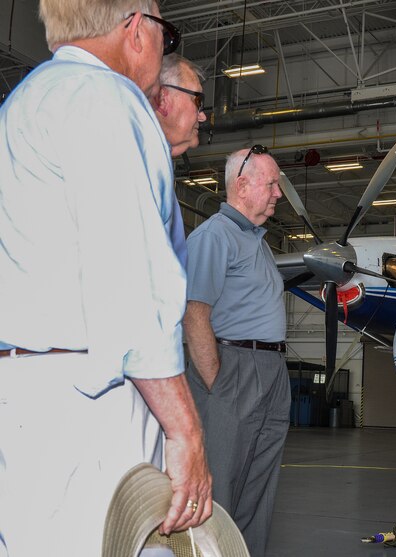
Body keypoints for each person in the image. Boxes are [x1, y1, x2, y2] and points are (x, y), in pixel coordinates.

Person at [0, 2, 212, 556]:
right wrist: (185, 430)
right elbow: (130, 281)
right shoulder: (106, 99)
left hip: (25, 389)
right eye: (165, 32)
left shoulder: (24, 102)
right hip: (90, 400)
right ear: (136, 28)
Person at [183, 146, 290, 557]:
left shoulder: (258, 242)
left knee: (258, 490)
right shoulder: (213, 235)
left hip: (270, 369)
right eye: (271, 183)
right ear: (242, 185)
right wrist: (217, 383)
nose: (278, 192)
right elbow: (195, 314)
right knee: (220, 487)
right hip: (234, 369)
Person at [152, 52, 208, 266]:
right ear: (163, 99)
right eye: (197, 100)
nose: (202, 116)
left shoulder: (157, 170)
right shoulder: (135, 167)